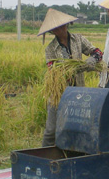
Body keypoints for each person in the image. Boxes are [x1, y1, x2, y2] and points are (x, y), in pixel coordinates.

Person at [38, 8, 103, 147]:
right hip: (59, 93)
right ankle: (46, 153)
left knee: (77, 126)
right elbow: (53, 71)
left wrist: (92, 59)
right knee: (51, 130)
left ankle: (74, 152)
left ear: (67, 24)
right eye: (56, 28)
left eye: (62, 26)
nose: (60, 30)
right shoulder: (50, 49)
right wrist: (73, 69)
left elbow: (97, 52)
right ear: (52, 31)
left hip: (78, 93)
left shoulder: (78, 39)